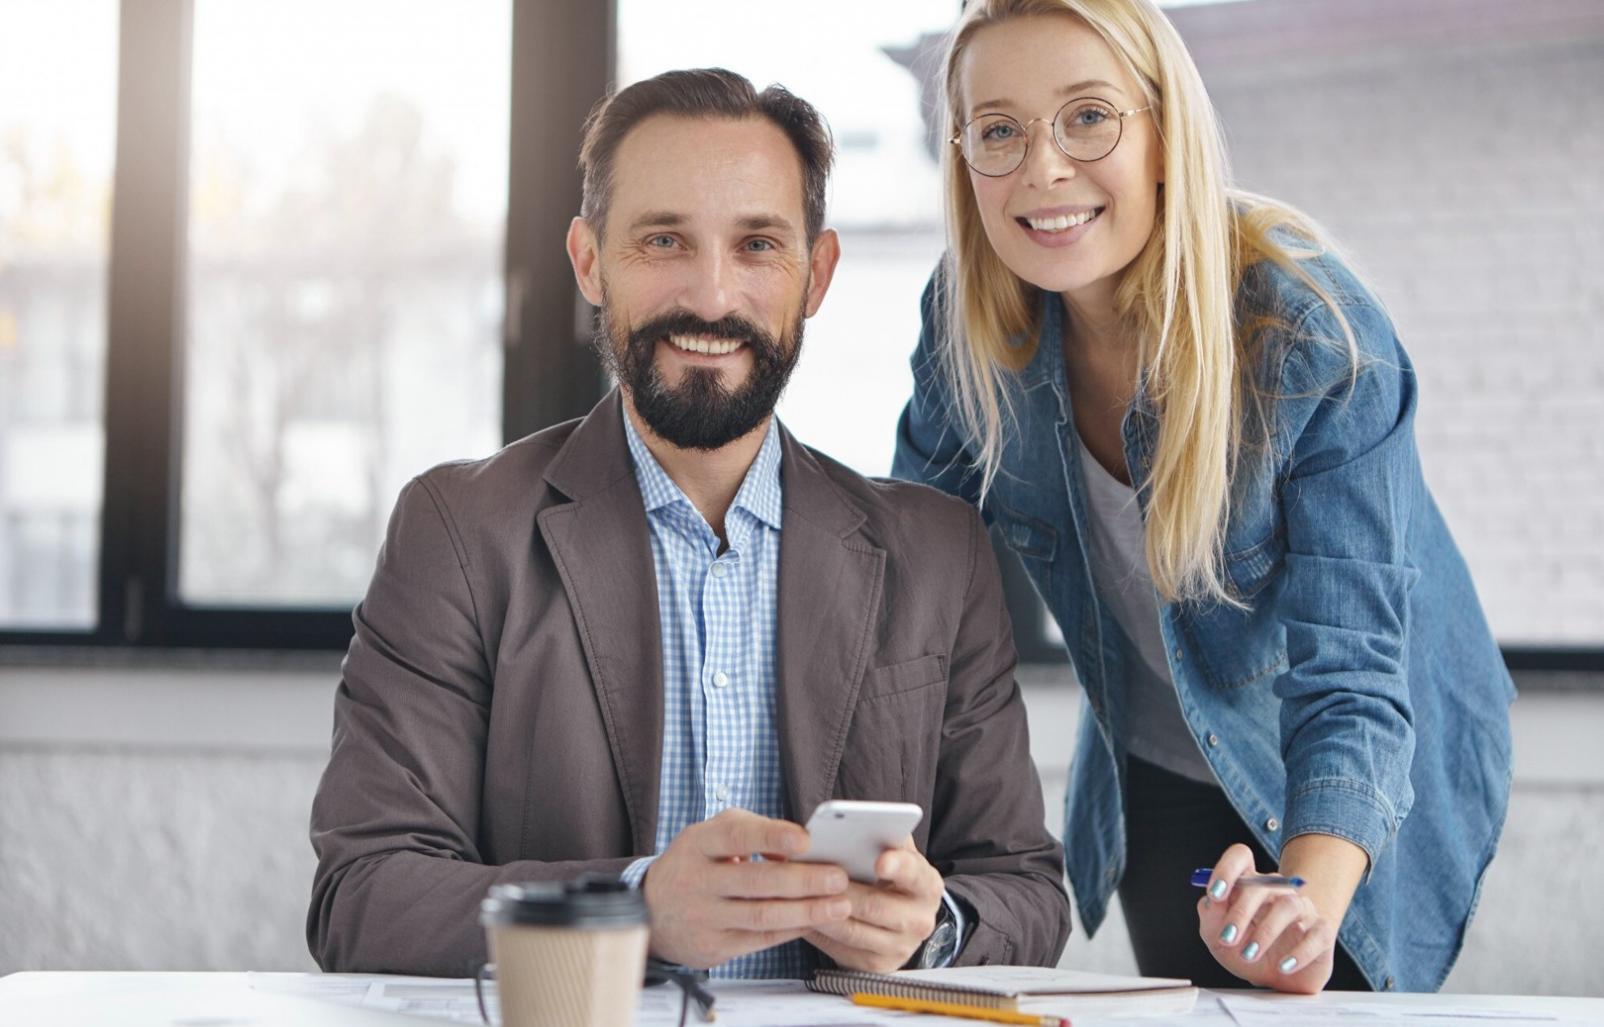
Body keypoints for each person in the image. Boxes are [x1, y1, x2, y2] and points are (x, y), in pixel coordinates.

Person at [308, 67, 1070, 981]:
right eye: (664, 239)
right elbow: (364, 895)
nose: (712, 297)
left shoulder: (939, 554)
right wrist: (631, 909)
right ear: (590, 262)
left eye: (757, 245)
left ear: (815, 274)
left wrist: (931, 926)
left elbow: (1026, 889)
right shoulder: (459, 535)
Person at [893, 0, 1514, 995]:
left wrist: (1302, 904)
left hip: (1356, 768)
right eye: (997, 129)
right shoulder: (965, 322)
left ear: (1159, 133)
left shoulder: (1308, 333)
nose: (1042, 168)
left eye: (1086, 116)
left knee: (1306, 986)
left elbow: (1353, 674)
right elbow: (899, 586)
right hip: (1159, 757)